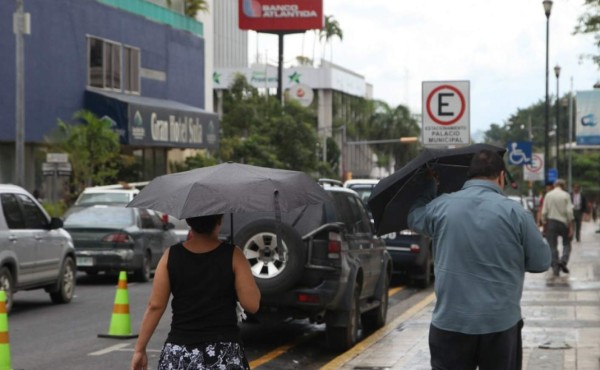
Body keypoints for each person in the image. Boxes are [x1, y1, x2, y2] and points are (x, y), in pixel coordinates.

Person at [408, 149, 551, 370]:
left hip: (450, 323)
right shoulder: (516, 213)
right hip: (500, 324)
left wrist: (429, 185)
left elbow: (414, 216)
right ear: (501, 176)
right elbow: (541, 262)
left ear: (469, 176)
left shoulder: (441, 206)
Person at [130, 214, 261, 370]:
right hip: (224, 354)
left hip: (180, 354)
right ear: (219, 220)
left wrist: (140, 349)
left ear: (188, 221)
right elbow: (252, 305)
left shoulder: (171, 256)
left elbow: (155, 306)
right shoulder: (234, 255)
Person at [541, 179, 575, 279]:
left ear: (555, 185)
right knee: (566, 243)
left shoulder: (548, 195)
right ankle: (563, 261)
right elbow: (569, 212)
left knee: (552, 245)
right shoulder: (566, 195)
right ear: (563, 186)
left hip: (551, 222)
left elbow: (544, 212)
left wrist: (544, 224)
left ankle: (555, 266)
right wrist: (571, 227)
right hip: (563, 223)